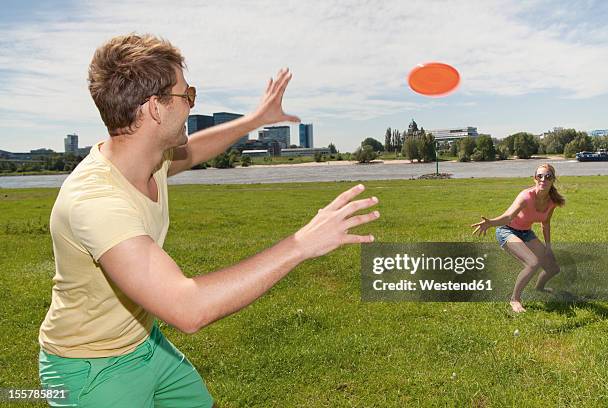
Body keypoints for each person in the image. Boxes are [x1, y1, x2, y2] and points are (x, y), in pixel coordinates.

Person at [38, 33, 380, 407]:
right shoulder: (97, 201)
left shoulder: (152, 158)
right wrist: (302, 244)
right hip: (91, 369)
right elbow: (188, 308)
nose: (190, 105)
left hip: (145, 343)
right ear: (155, 107)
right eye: (188, 95)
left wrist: (255, 119)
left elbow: (197, 148)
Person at [471, 164, 565, 313]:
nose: (543, 179)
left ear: (553, 180)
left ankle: (539, 288)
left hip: (526, 233)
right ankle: (515, 299)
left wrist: (548, 247)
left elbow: (545, 223)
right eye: (539, 176)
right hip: (507, 231)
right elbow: (508, 216)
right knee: (533, 263)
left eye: (548, 176)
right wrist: (491, 223)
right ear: (534, 178)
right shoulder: (526, 196)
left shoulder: (551, 202)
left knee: (553, 268)